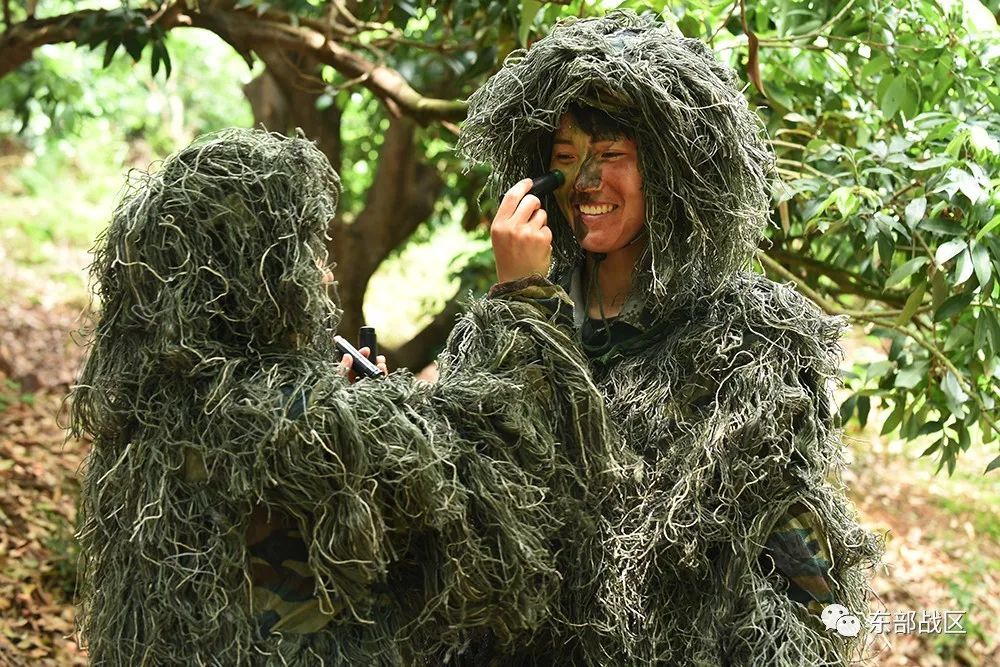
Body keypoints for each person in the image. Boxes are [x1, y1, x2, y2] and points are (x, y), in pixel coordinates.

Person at [71, 128, 623, 665]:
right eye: (306, 251)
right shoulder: (298, 419)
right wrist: (522, 294)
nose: (323, 270)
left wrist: (358, 412)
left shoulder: (150, 403)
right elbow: (494, 479)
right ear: (251, 275)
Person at [456, 10, 881, 665]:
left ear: (672, 168)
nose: (586, 183)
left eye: (613, 156)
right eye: (565, 159)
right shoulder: (521, 307)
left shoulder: (752, 337)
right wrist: (519, 303)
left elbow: (803, 567)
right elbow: (482, 489)